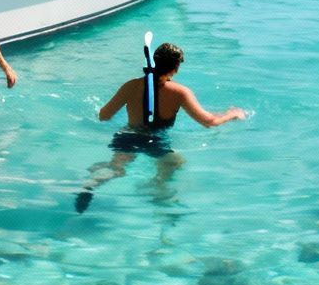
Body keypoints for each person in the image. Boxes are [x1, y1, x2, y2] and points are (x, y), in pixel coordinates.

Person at [76, 41, 243, 211]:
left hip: (127, 136)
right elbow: (209, 122)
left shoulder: (131, 85)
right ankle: (158, 186)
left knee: (117, 167)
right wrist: (231, 114)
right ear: (175, 68)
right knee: (175, 162)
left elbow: (104, 116)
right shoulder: (180, 92)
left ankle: (91, 183)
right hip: (154, 140)